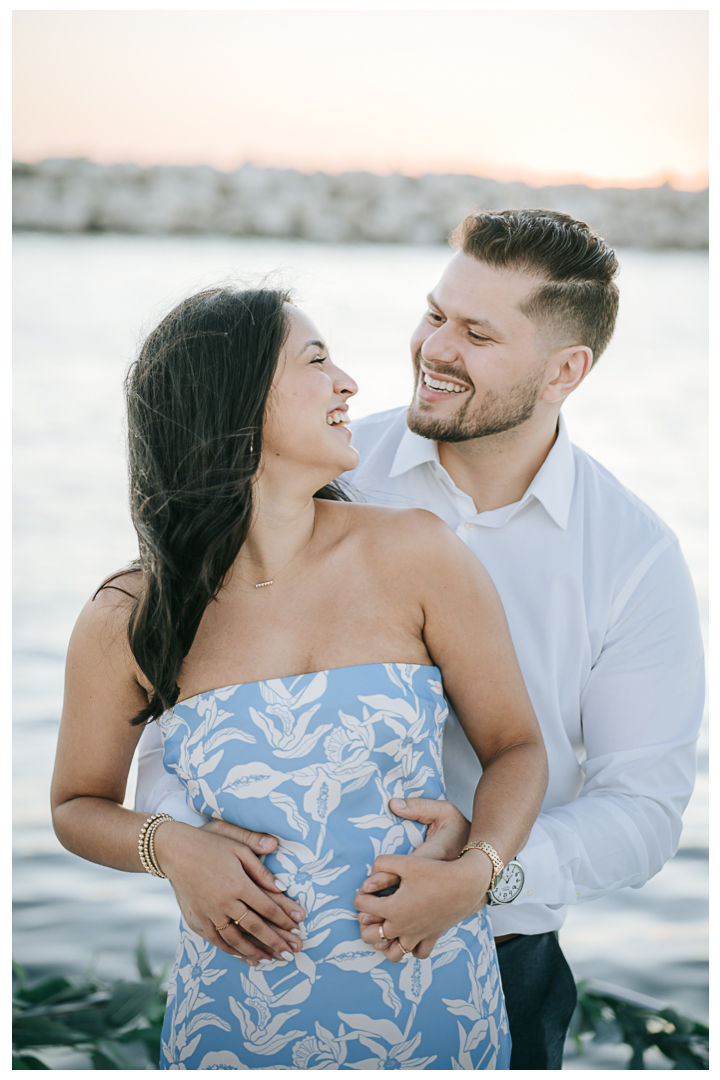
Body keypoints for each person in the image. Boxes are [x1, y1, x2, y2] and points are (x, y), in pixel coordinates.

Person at [134, 209, 705, 1070]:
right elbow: (180, 705)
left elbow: (646, 811)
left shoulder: (631, 556)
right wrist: (179, 847)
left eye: (477, 333)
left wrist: (482, 875)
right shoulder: (315, 464)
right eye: (436, 314)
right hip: (270, 956)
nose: (436, 348)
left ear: (565, 371)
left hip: (501, 966)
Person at [51, 285, 549, 1070]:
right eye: (317, 361)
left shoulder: (417, 553)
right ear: (236, 398)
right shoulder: (128, 615)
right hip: (234, 1024)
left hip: (431, 1009)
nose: (349, 382)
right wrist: (170, 847)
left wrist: (475, 876)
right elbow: (76, 806)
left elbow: (518, 748)